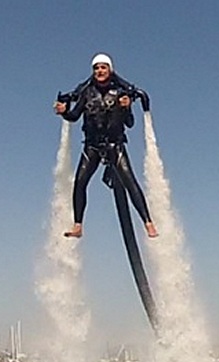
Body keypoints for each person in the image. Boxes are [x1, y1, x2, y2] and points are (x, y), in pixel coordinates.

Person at [54, 53, 158, 239]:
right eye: (96, 68)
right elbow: (74, 116)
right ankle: (78, 225)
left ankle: (148, 222)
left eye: (103, 67)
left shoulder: (120, 93)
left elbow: (130, 123)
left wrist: (126, 107)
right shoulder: (86, 93)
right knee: (79, 182)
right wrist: (64, 112)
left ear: (110, 70)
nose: (99, 71)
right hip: (92, 147)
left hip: (115, 146)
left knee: (130, 182)